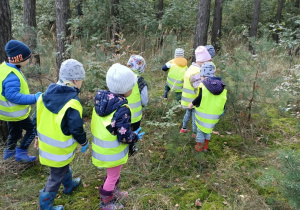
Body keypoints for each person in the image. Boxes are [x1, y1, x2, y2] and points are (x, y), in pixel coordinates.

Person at [34, 59, 89, 209]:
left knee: (63, 167)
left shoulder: (44, 96)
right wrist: (84, 142)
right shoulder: (72, 102)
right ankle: (45, 206)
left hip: (47, 147)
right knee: (55, 176)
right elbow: (76, 128)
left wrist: (36, 135)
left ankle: (69, 186)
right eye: (81, 81)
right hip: (59, 150)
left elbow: (36, 118)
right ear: (75, 80)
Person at [91, 63, 145, 210]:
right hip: (112, 152)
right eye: (131, 87)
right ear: (125, 89)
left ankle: (113, 192)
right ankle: (106, 203)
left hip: (101, 149)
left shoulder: (102, 102)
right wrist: (134, 136)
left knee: (112, 174)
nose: (133, 89)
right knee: (113, 176)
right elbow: (124, 136)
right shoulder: (122, 109)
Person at [0, 40, 42, 162]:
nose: (29, 59)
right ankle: (21, 153)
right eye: (27, 57)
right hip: (16, 113)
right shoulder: (12, 75)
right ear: (19, 59)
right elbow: (13, 96)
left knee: (15, 133)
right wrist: (35, 98)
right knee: (32, 130)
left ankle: (8, 155)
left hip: (9, 113)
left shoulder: (4, 68)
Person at [188, 62, 227, 152]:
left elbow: (199, 98)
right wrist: (223, 110)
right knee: (208, 130)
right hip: (214, 116)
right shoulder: (222, 86)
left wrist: (191, 104)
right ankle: (206, 147)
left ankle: (199, 147)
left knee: (200, 131)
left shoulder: (203, 86)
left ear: (204, 76)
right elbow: (223, 100)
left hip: (202, 115)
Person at [180, 46, 212, 138]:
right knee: (195, 118)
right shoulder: (197, 72)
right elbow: (199, 87)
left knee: (187, 114)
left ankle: (184, 128)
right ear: (202, 61)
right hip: (194, 100)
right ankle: (195, 133)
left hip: (187, 99)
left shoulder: (191, 68)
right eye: (208, 62)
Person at [127, 55, 148, 155]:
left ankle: (122, 149)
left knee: (123, 131)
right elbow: (145, 100)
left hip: (121, 114)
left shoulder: (122, 77)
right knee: (134, 133)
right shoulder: (140, 80)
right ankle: (132, 150)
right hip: (135, 116)